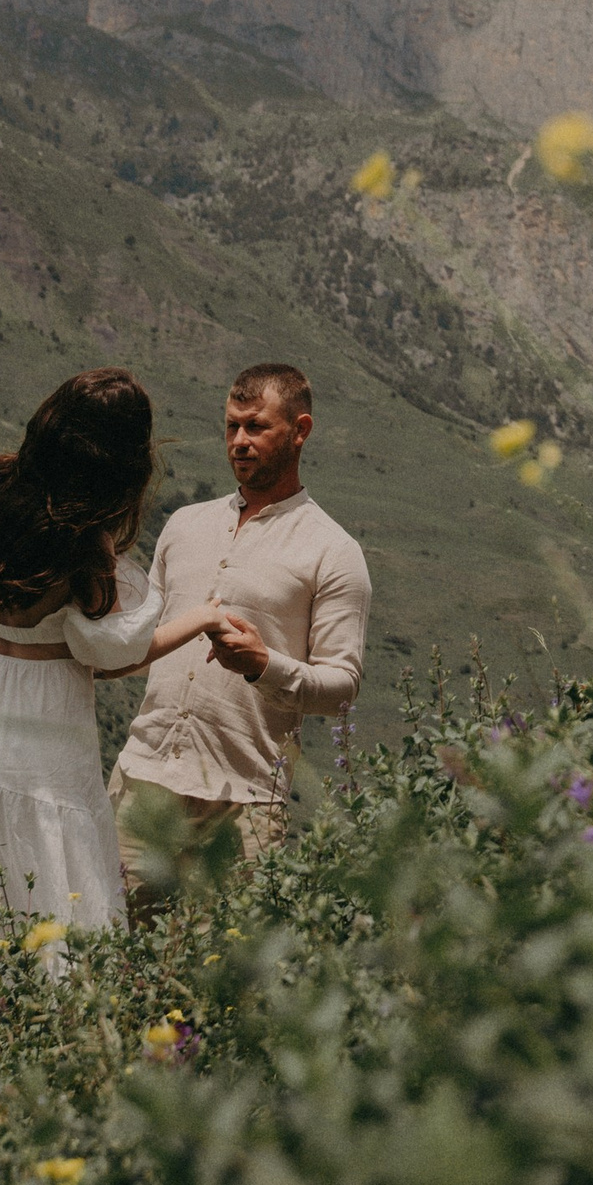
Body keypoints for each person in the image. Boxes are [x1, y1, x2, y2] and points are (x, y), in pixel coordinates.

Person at [0, 368, 267, 969]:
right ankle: (60, 1036)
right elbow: (113, 654)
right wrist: (204, 617)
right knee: (57, 898)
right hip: (42, 732)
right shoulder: (85, 542)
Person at [109, 360, 369, 901]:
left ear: (300, 431)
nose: (239, 441)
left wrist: (263, 665)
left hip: (241, 805)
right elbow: (137, 640)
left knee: (219, 979)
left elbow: (343, 686)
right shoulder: (183, 526)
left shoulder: (333, 551)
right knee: (107, 962)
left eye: (256, 426)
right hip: (142, 787)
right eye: (232, 426)